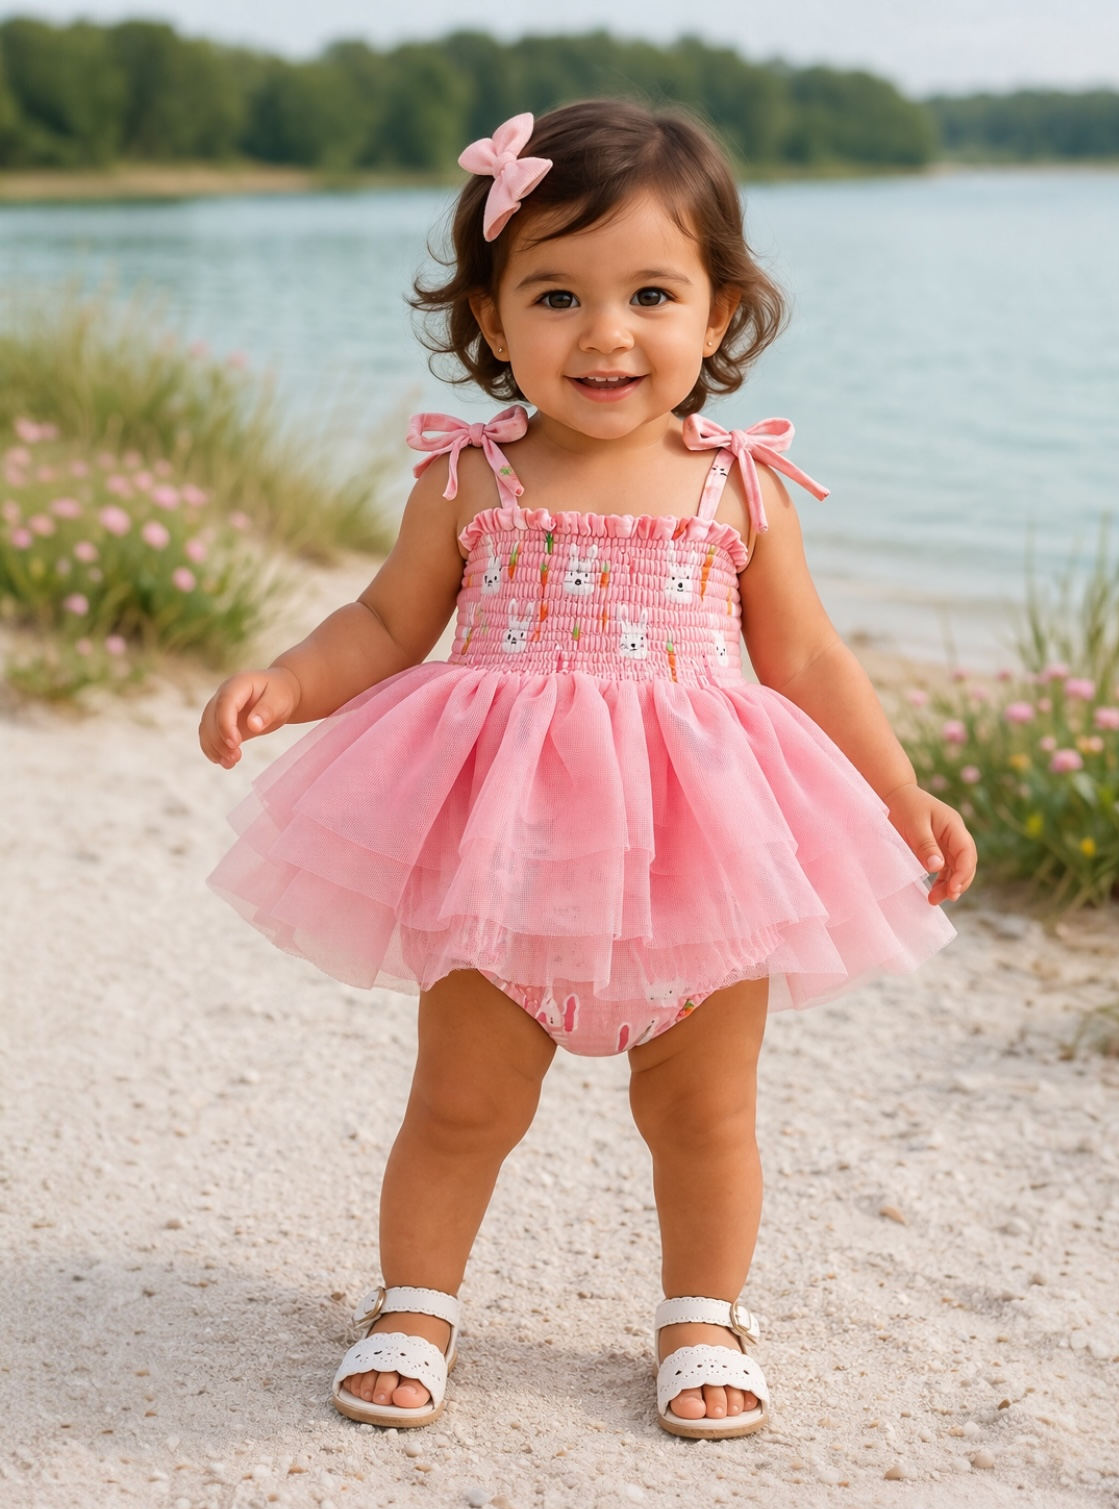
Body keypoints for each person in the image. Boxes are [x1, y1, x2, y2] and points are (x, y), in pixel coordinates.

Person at [199, 101, 975, 1440]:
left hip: (704, 860)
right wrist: (287, 682)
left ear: (718, 312)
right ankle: (416, 1302)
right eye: (557, 294)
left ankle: (701, 1317)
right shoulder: (469, 480)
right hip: (505, 861)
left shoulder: (739, 487)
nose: (606, 333)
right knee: (459, 1101)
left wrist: (897, 791)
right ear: (495, 322)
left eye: (652, 294)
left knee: (705, 1110)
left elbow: (807, 659)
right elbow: (387, 625)